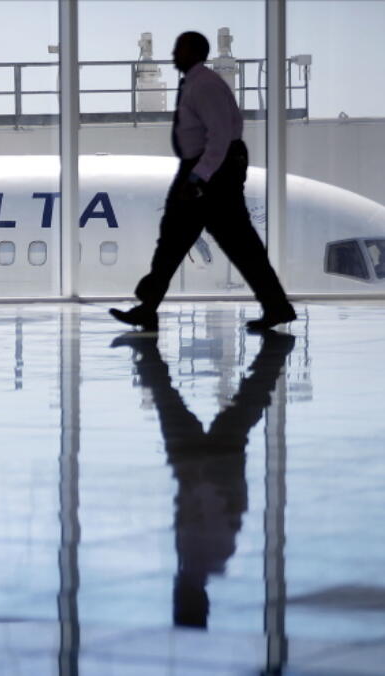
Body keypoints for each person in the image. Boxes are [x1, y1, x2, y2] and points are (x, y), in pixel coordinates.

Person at [110, 32, 295, 333]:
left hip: (211, 172)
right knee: (192, 239)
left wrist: (198, 177)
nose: (173, 53)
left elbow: (220, 137)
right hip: (208, 170)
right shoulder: (198, 83)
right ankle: (148, 306)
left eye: (179, 49)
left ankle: (148, 306)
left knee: (210, 241)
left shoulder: (205, 86)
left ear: (194, 52)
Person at [113, 330, 294, 628]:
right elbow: (212, 510)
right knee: (173, 402)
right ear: (184, 595)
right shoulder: (200, 558)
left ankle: (275, 352)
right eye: (178, 598)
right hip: (202, 465)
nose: (173, 593)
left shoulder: (206, 561)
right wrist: (201, 477)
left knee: (236, 406)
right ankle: (146, 350)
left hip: (210, 466)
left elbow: (223, 511)